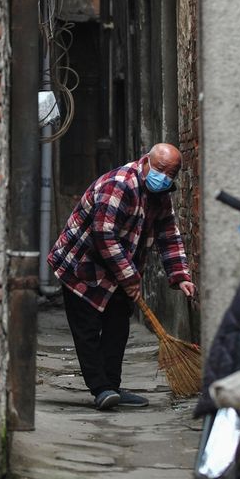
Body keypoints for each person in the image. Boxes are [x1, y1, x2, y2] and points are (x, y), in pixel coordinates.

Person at [47, 143, 198, 410]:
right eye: (160, 169)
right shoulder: (119, 184)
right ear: (147, 162)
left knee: (118, 325)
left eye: (171, 173)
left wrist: (180, 275)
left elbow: (169, 235)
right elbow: (103, 234)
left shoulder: (161, 194)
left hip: (117, 268)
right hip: (81, 265)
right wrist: (129, 277)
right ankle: (101, 388)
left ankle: (112, 386)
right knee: (88, 328)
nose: (164, 177)